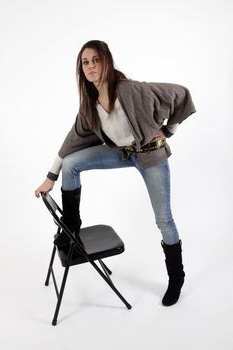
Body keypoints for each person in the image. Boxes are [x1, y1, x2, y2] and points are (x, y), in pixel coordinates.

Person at [35, 40, 196, 307]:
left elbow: (180, 94)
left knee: (163, 219)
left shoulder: (131, 91)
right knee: (72, 162)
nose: (90, 67)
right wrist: (50, 177)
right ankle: (72, 229)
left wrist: (169, 130)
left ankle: (176, 277)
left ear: (107, 61)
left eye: (95, 60)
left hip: (150, 153)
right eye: (85, 62)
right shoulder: (90, 104)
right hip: (123, 153)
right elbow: (70, 143)